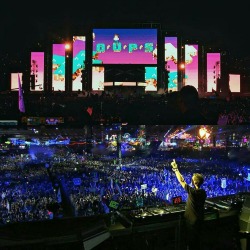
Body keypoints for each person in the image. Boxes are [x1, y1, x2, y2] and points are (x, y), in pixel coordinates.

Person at [171, 159, 207, 250]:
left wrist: (176, 169)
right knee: (197, 243)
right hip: (200, 220)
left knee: (191, 244)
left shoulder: (193, 192)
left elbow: (182, 181)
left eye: (192, 179)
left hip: (192, 223)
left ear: (195, 182)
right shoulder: (203, 192)